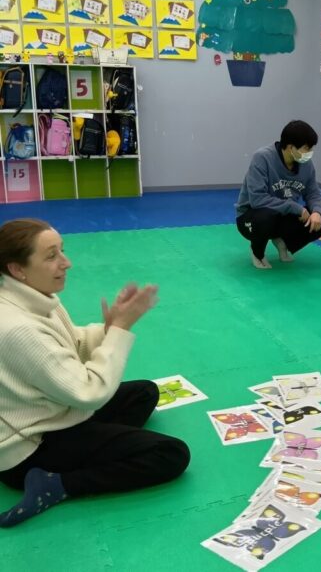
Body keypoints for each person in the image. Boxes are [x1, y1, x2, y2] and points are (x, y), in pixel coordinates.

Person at [0, 219, 190, 527]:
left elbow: (70, 344)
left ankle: (96, 448)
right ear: (17, 269)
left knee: (145, 392)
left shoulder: (34, 296)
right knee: (171, 454)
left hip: (51, 410)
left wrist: (108, 328)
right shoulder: (18, 328)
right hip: (28, 448)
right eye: (51, 256)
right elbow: (89, 392)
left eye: (62, 251)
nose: (67, 263)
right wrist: (120, 330)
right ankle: (58, 484)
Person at [235, 120, 321, 269]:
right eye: (307, 148)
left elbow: (314, 193)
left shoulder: (306, 164)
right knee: (267, 216)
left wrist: (317, 212)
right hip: (251, 217)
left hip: (283, 216)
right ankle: (257, 252)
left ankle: (283, 242)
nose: (309, 153)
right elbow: (258, 199)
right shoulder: (262, 158)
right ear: (291, 147)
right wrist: (296, 208)